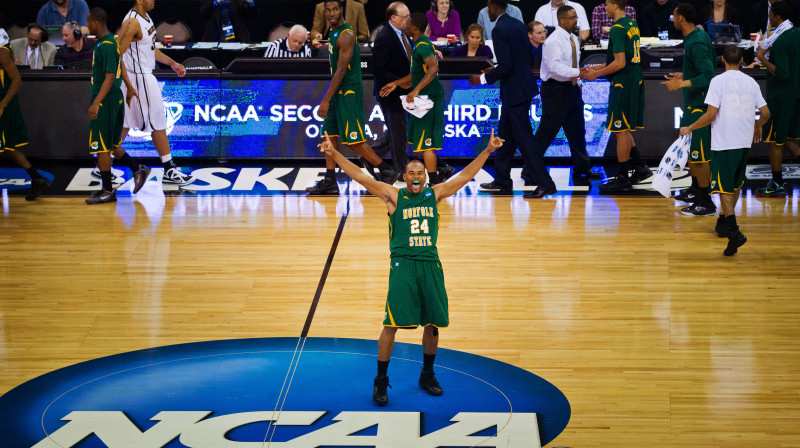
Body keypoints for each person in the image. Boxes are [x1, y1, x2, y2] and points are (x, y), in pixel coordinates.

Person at [317, 128, 504, 405]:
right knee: (391, 324)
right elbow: (360, 176)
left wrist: (487, 151)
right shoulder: (393, 196)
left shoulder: (436, 194)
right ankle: (381, 380)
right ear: (404, 177)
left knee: (433, 324)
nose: (416, 176)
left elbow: (465, 176)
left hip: (430, 264)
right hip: (402, 265)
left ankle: (427, 374)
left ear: (425, 177)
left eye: (420, 173)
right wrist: (334, 154)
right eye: (411, 173)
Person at [679, 45, 770, 256]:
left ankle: (734, 231)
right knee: (735, 184)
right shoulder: (751, 81)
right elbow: (765, 113)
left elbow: (711, 115)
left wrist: (689, 128)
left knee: (723, 189)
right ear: (741, 61)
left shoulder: (717, 81)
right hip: (744, 141)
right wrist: (757, 126)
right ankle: (725, 223)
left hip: (725, 142)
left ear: (722, 59)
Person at [307, 0, 396, 195]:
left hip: (347, 91)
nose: (331, 13)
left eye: (335, 9)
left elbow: (341, 70)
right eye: (327, 10)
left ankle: (386, 170)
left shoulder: (346, 35)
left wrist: (326, 99)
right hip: (338, 90)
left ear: (341, 10)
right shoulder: (333, 32)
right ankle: (330, 180)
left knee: (353, 140)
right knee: (329, 133)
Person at [470, 0, 556, 198]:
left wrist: (482, 78)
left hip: (515, 91)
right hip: (521, 87)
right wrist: (497, 68)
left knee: (526, 141)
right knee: (505, 137)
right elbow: (522, 57)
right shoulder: (517, 24)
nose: (488, 11)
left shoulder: (499, 28)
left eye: (489, 7)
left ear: (494, 7)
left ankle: (546, 183)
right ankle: (502, 181)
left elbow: (507, 66)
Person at [117, 0, 195, 186]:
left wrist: (172, 63)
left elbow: (151, 49)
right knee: (158, 122)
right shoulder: (132, 22)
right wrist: (126, 82)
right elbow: (116, 53)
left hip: (141, 77)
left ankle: (101, 165)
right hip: (138, 78)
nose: (153, 0)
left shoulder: (146, 17)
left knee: (125, 124)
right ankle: (169, 170)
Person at [583, 0, 651, 193]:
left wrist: (596, 74)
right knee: (625, 126)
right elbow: (617, 60)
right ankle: (640, 166)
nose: (605, 8)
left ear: (614, 5)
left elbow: (619, 63)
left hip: (623, 80)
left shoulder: (617, 29)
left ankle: (622, 177)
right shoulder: (632, 24)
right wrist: (593, 67)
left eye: (606, 4)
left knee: (620, 129)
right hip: (634, 77)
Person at [84, 7, 149, 204]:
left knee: (101, 146)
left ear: (95, 22)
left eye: (88, 22)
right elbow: (120, 63)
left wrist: (96, 103)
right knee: (112, 144)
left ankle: (107, 190)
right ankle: (138, 169)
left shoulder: (105, 45)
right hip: (115, 98)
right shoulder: (112, 40)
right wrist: (129, 87)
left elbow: (110, 76)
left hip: (106, 100)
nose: (87, 25)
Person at [662, 3, 717, 215]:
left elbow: (709, 75)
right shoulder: (695, 37)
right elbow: (700, 71)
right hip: (694, 104)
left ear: (681, 18)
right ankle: (696, 191)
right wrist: (684, 77)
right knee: (693, 155)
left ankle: (707, 203)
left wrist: (681, 84)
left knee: (700, 157)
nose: (672, 18)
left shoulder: (697, 43)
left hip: (701, 106)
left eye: (674, 15)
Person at [380, 12, 448, 185]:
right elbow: (416, 75)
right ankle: (438, 175)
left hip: (430, 100)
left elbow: (434, 69)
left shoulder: (423, 45)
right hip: (424, 100)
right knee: (424, 144)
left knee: (427, 144)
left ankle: (434, 181)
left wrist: (416, 90)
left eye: (408, 23)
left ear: (414, 28)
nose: (405, 25)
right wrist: (395, 83)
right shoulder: (418, 45)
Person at [538, 5, 600, 185]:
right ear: (562, 20)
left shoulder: (573, 38)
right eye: (572, 18)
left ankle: (582, 167)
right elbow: (554, 68)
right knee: (547, 132)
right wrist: (578, 73)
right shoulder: (553, 41)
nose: (576, 20)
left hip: (572, 88)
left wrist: (578, 82)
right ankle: (530, 167)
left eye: (575, 17)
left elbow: (574, 63)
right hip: (555, 90)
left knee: (577, 130)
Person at [753, 0, 800, 198]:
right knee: (788, 138)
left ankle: (777, 184)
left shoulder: (780, 41)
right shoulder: (796, 32)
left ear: (777, 17)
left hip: (780, 96)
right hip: (795, 94)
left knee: (775, 141)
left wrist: (761, 58)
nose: (769, 17)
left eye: (771, 14)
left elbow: (781, 73)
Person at [0, 28, 50, 201]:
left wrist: (2, 104)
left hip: (4, 104)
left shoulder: (2, 53)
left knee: (7, 147)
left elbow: (17, 80)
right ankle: (37, 178)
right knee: (9, 149)